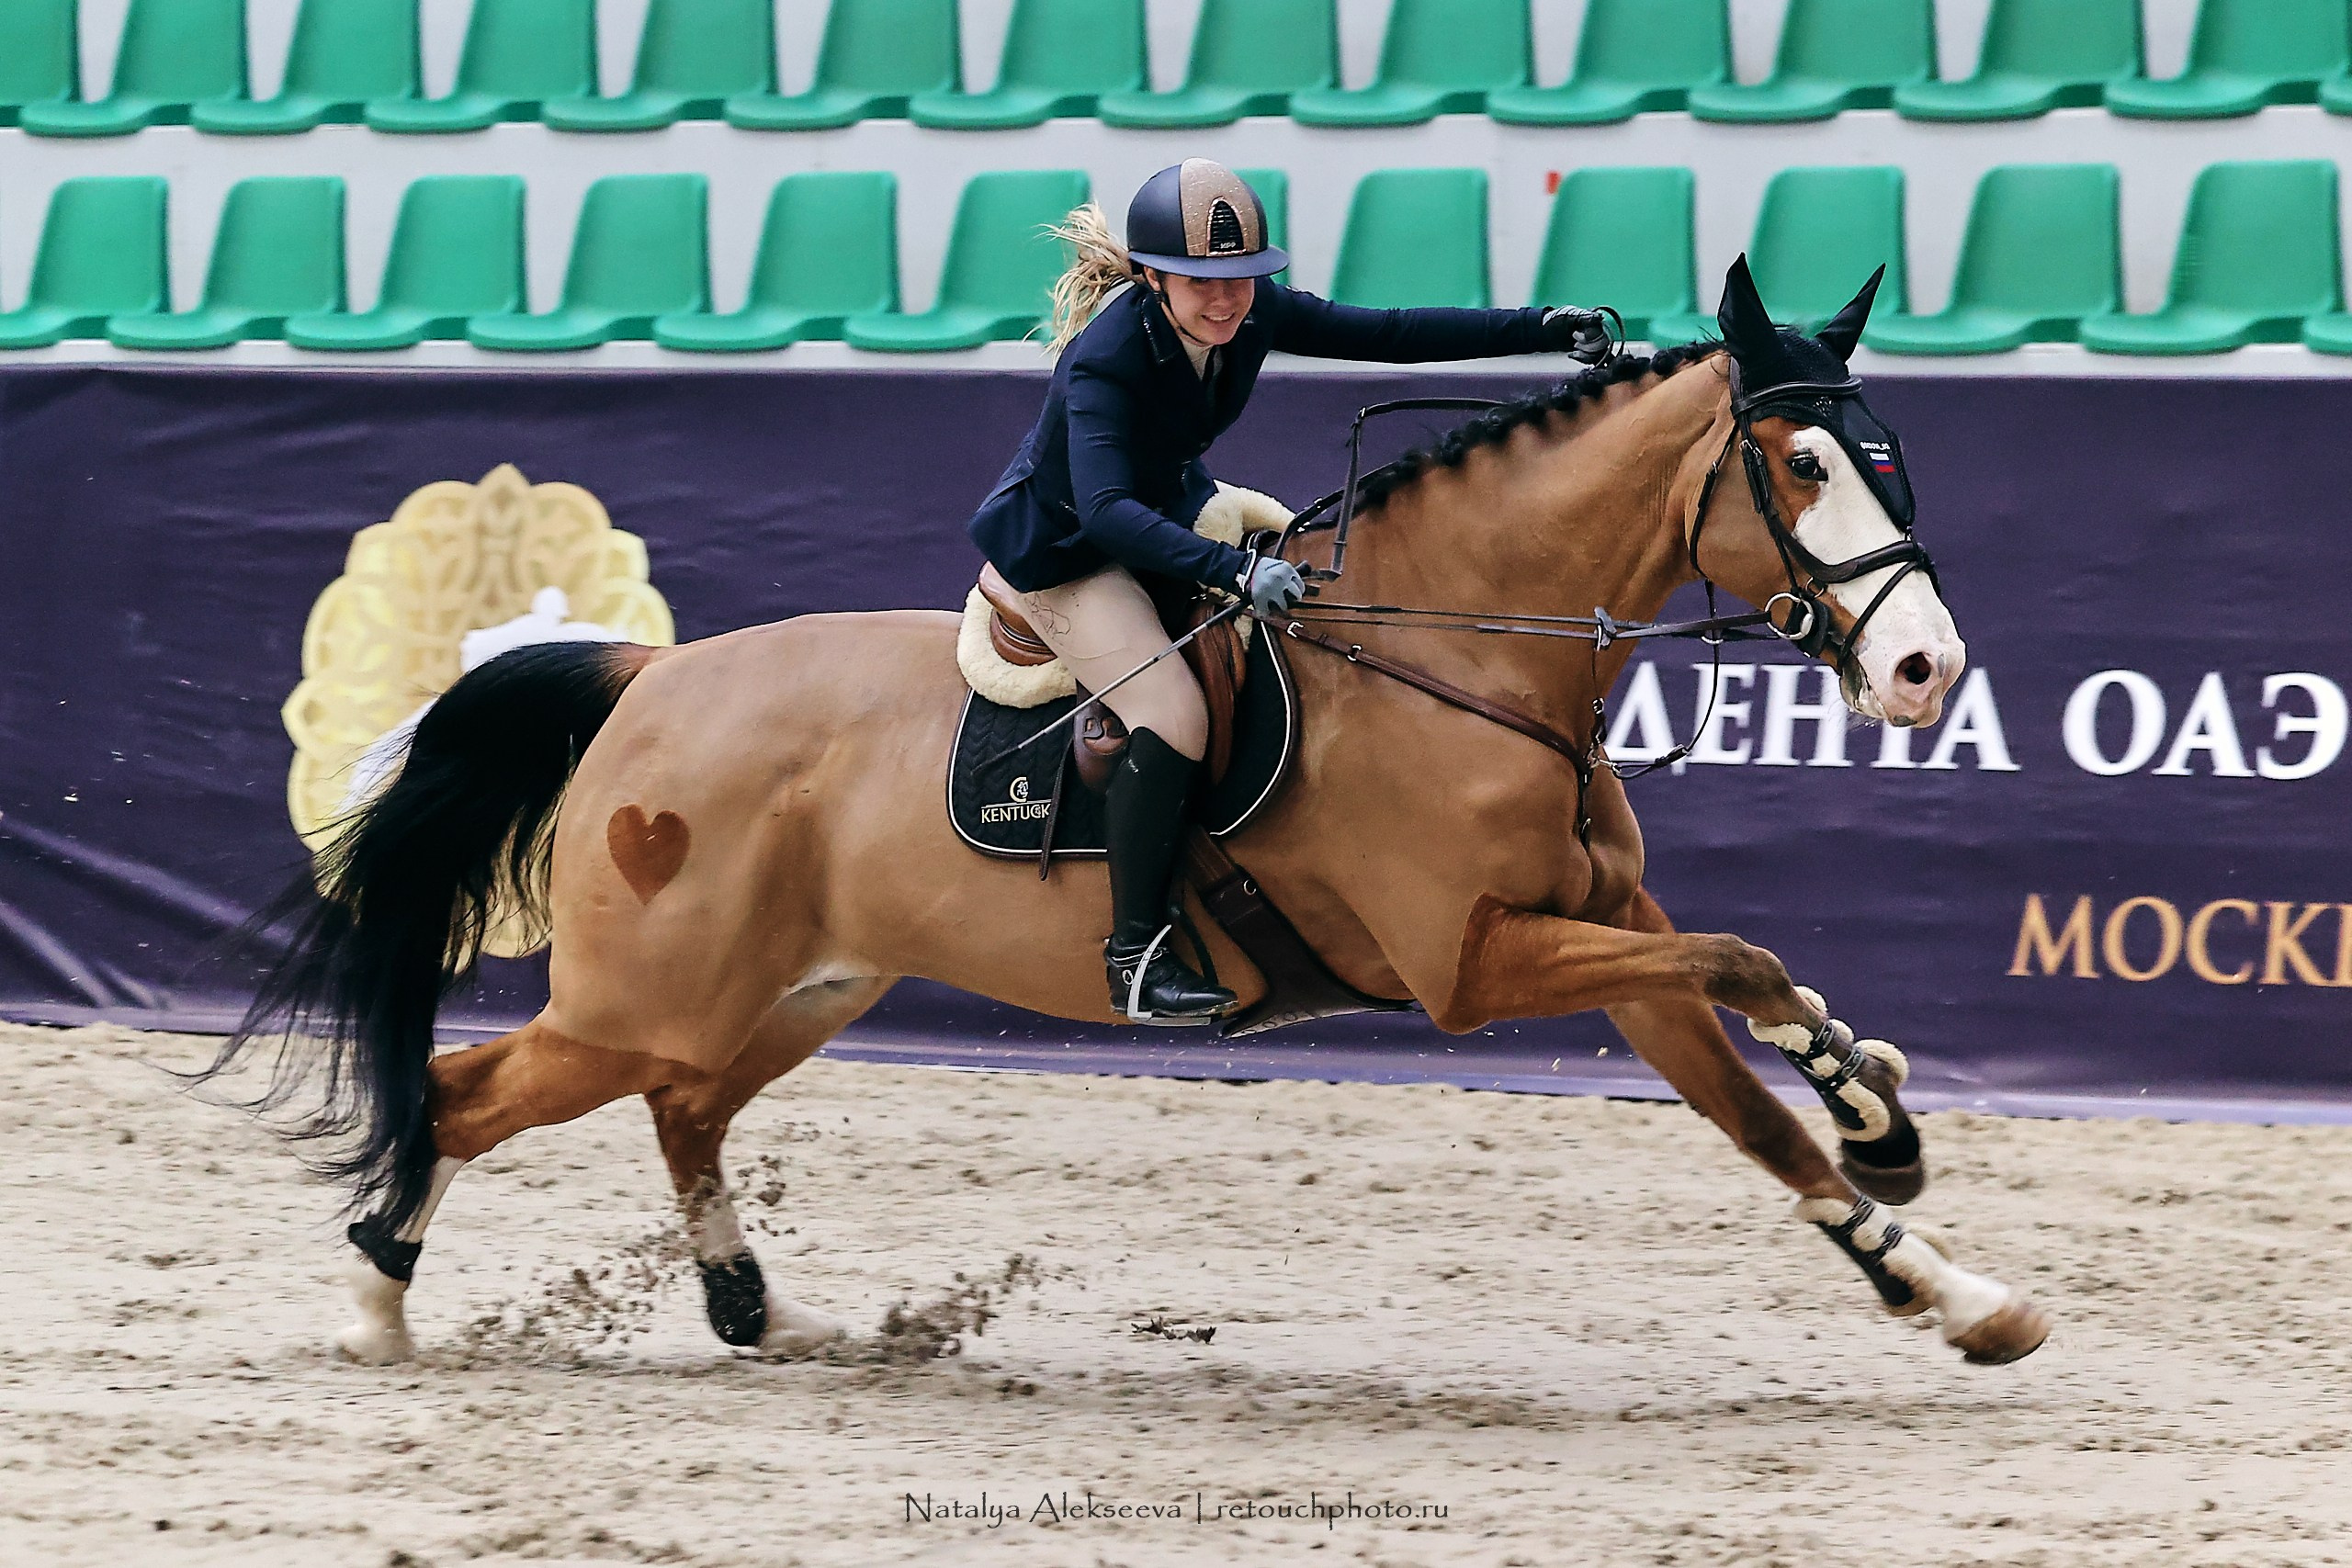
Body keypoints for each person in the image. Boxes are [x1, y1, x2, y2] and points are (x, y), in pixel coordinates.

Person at [967, 159, 1613, 1026]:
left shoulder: (1251, 310)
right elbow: (1107, 512)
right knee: (1173, 712)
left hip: (1169, 515)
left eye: (1241, 278)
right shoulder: (1106, 362)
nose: (1226, 300)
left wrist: (1537, 327)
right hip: (1069, 556)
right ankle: (1135, 958)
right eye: (1201, 282)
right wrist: (1234, 570)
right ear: (1153, 278)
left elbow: (1387, 332)